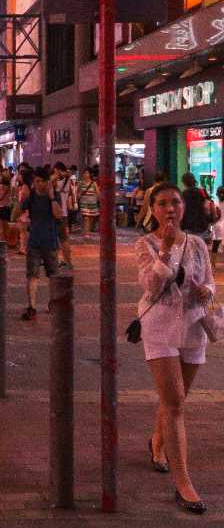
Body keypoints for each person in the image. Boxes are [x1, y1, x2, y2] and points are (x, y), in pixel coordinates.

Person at [136, 182, 214, 514]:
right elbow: (151, 287)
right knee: (175, 404)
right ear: (152, 209)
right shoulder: (145, 245)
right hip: (160, 329)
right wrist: (165, 249)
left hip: (194, 328)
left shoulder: (198, 244)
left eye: (176, 202)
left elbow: (210, 283)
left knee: (175, 399)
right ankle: (184, 484)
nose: (171, 209)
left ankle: (157, 443)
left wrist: (204, 292)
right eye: (164, 203)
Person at [16, 166, 63, 321]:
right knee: (32, 275)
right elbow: (17, 212)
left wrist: (51, 197)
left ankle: (54, 304)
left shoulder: (54, 196)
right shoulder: (32, 198)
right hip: (34, 242)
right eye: (34, 181)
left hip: (50, 242)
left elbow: (58, 215)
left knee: (53, 275)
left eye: (39, 181)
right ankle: (32, 307)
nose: (36, 184)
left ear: (46, 182)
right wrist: (24, 198)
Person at [180, 173, 212, 241]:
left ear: (184, 182)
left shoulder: (183, 194)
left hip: (188, 225)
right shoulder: (201, 192)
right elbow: (207, 205)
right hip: (201, 224)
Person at [211, 187, 224, 272]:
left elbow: (215, 217)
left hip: (217, 226)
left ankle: (213, 267)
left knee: (215, 247)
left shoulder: (215, 204)